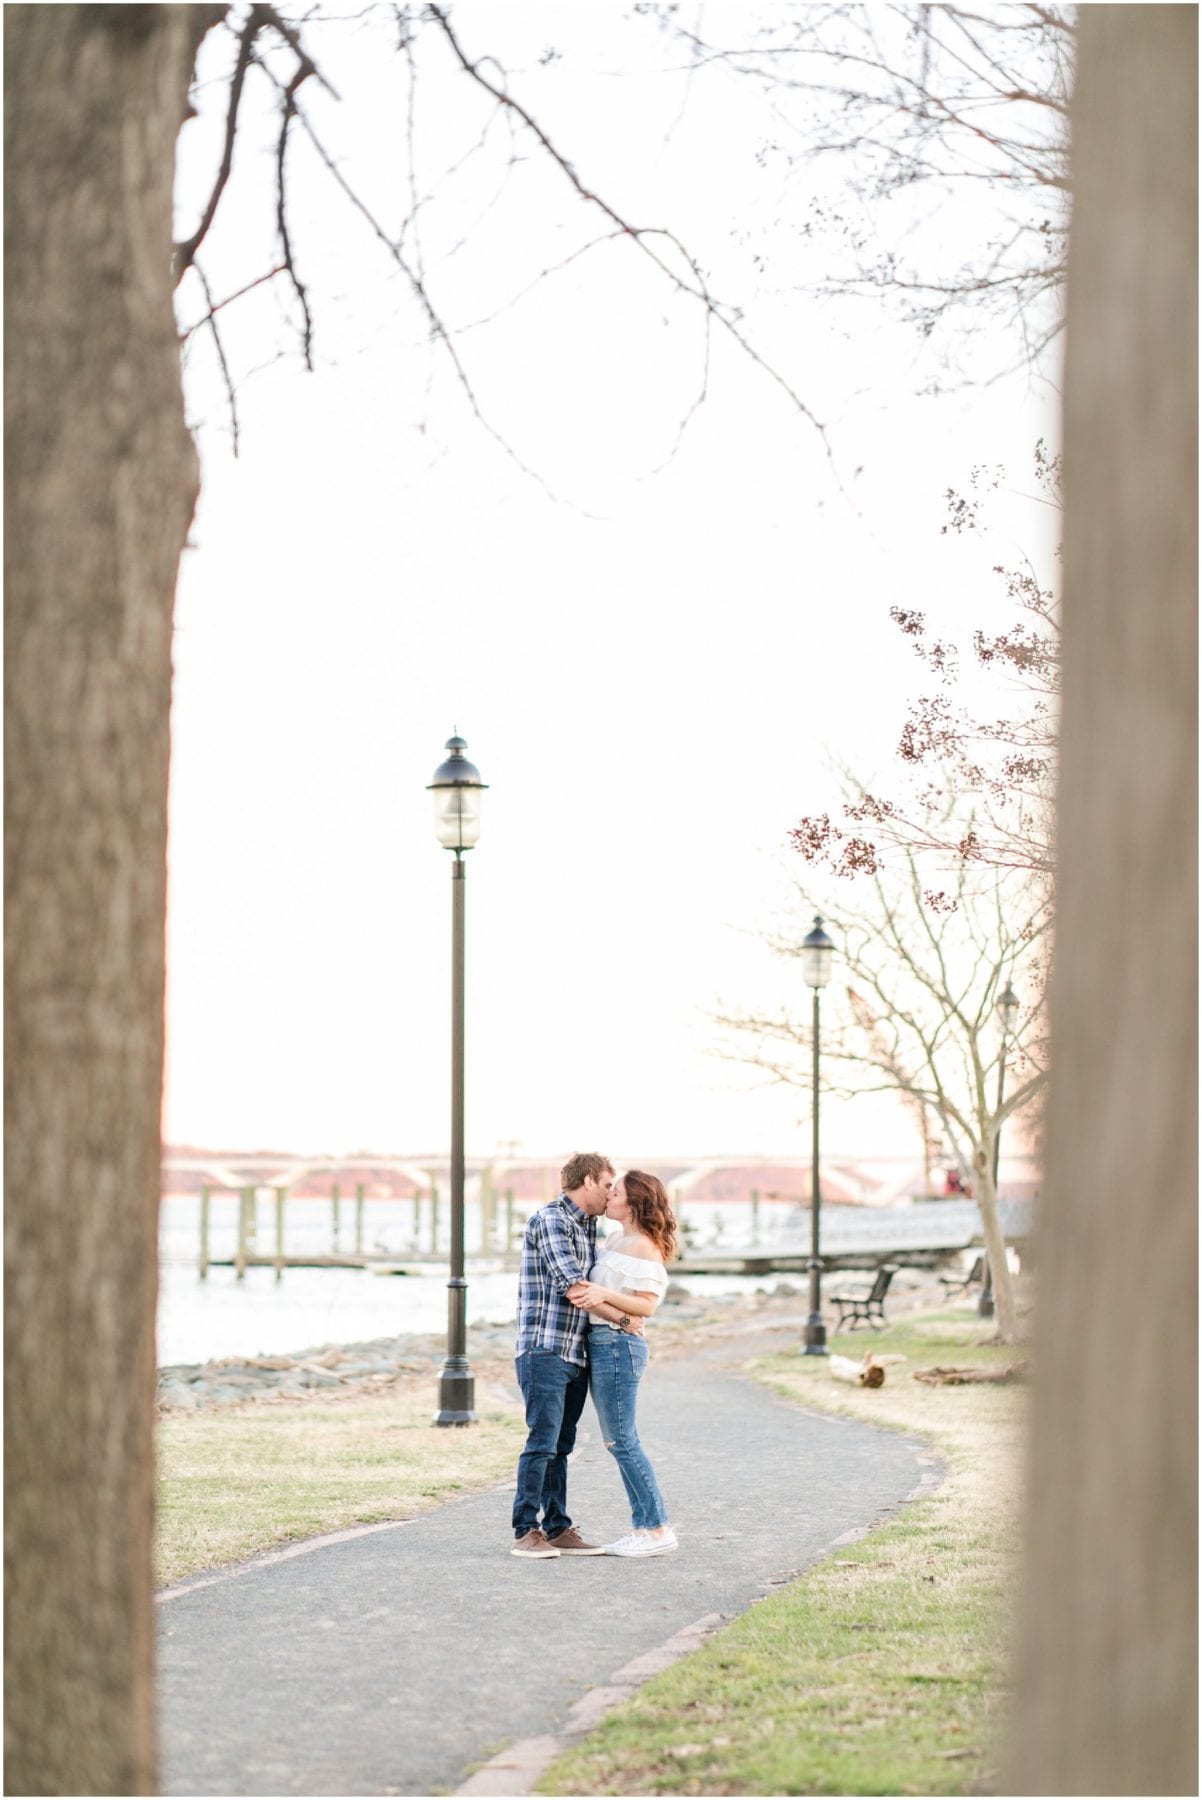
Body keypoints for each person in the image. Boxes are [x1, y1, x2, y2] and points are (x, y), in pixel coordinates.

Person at [510, 1152, 643, 1559]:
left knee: (563, 1444)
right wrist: (625, 1319)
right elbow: (575, 1288)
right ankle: (525, 1530)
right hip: (545, 1348)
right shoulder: (551, 1220)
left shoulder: (586, 1226)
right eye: (607, 1185)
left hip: (575, 1351)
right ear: (587, 1181)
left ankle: (558, 1526)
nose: (610, 1194)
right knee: (543, 1441)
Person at [567, 1169, 678, 1557]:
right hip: (603, 1342)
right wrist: (607, 1304)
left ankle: (655, 1528)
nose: (609, 1194)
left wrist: (598, 1296)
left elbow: (647, 1306)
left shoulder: (644, 1246)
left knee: (622, 1441)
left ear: (634, 1201)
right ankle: (648, 1527)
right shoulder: (616, 1238)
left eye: (616, 1191)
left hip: (617, 1346)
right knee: (618, 1441)